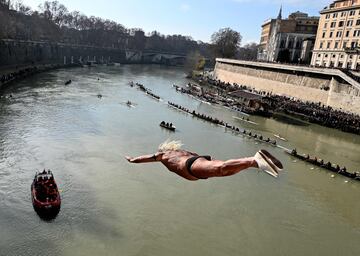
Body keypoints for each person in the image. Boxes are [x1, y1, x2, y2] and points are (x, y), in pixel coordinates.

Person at [126, 140, 283, 180]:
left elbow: (147, 158)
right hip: (196, 161)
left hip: (190, 167)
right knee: (224, 171)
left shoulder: (163, 155)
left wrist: (133, 160)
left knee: (222, 169)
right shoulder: (181, 151)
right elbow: (204, 156)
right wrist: (213, 159)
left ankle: (254, 159)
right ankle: (257, 164)